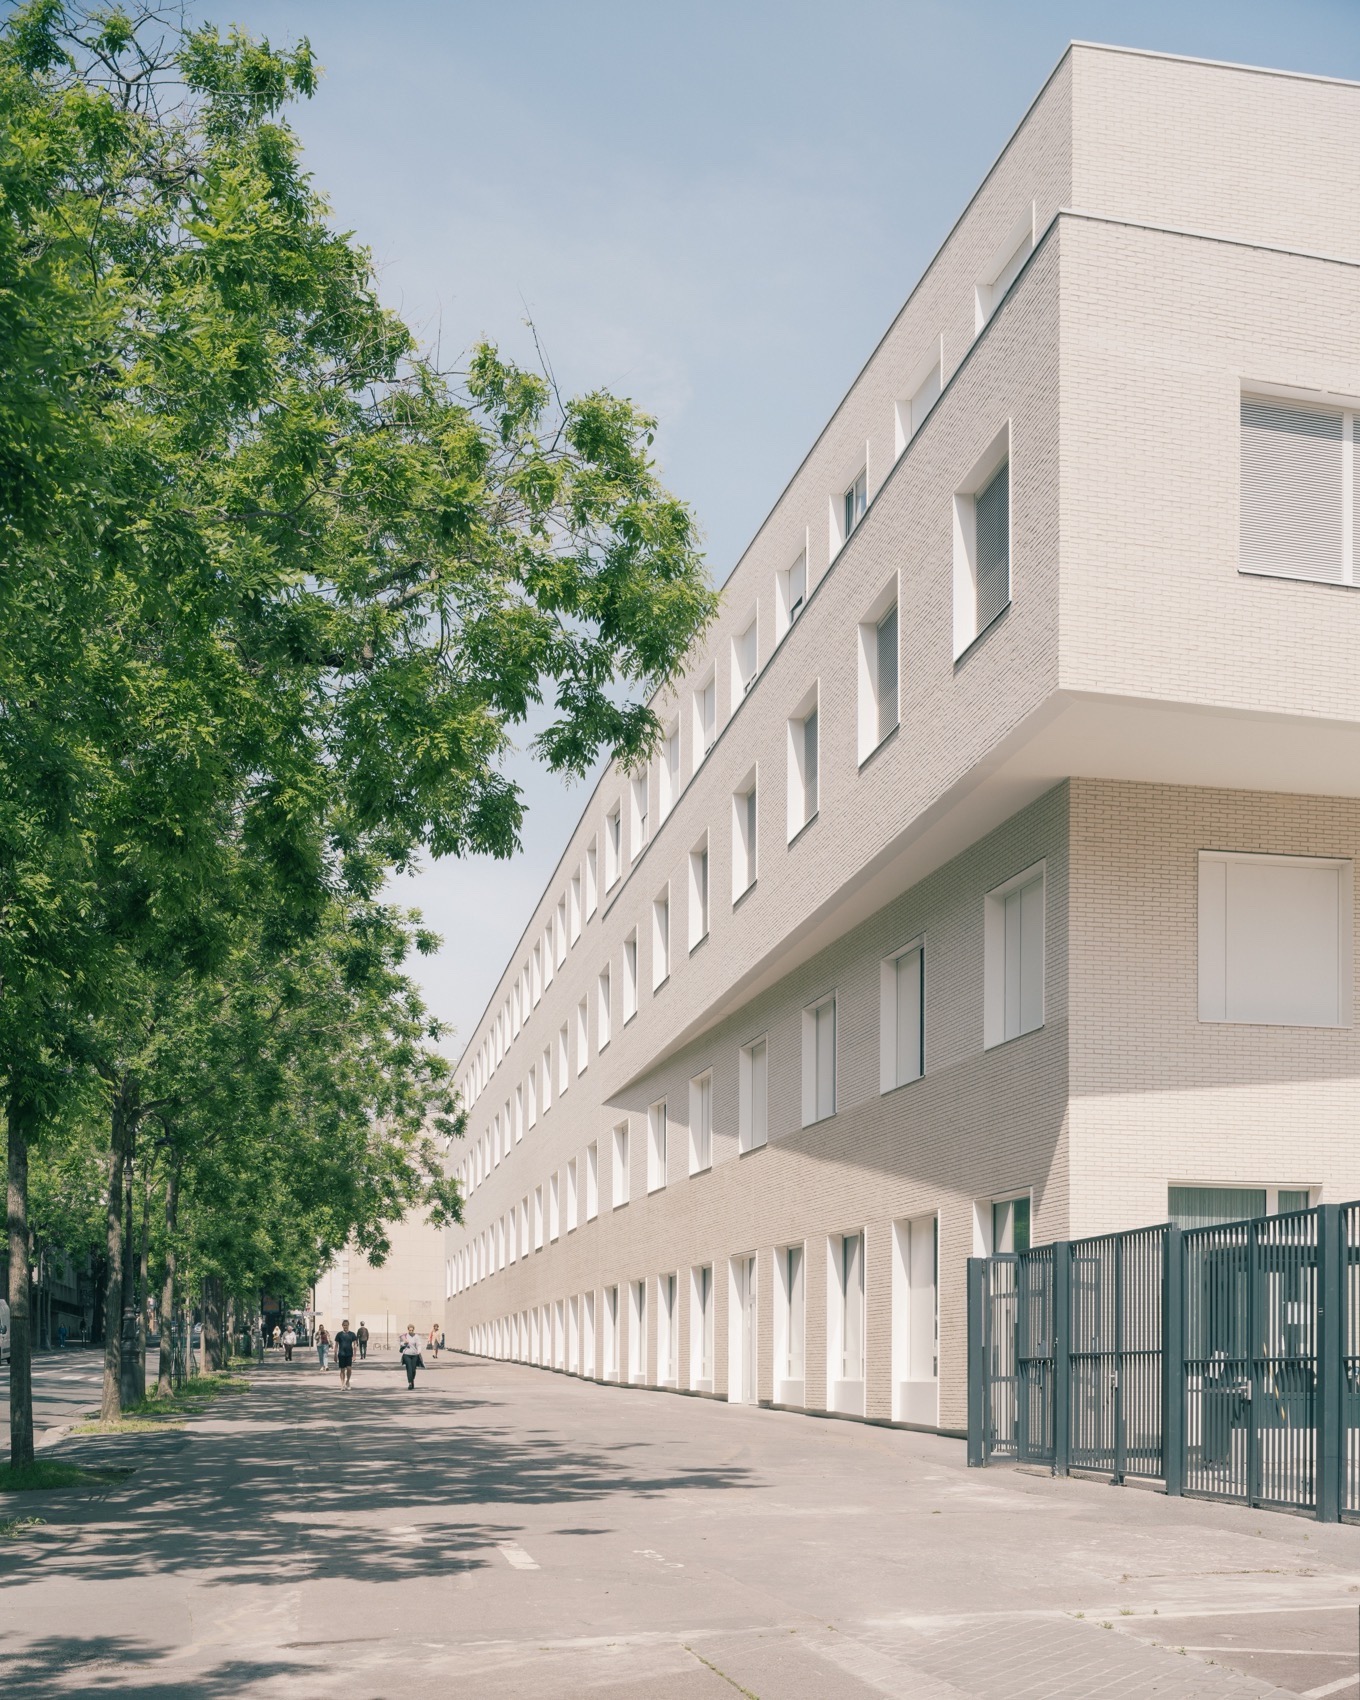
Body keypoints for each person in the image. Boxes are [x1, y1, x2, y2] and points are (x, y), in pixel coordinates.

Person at [334, 1319, 357, 1390]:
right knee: (342, 1370)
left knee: (349, 1368)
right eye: (344, 1325)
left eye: (346, 1325)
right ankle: (342, 1384)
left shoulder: (352, 1334)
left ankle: (347, 1381)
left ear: (348, 1325)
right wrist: (335, 1355)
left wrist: (354, 1355)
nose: (345, 1326)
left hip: (349, 1354)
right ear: (342, 1326)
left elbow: (355, 1345)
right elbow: (336, 1345)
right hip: (341, 1354)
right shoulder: (339, 1334)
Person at [399, 1324, 422, 1389]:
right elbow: (401, 1344)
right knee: (409, 1368)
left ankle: (412, 1380)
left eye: (412, 1330)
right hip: (406, 1354)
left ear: (413, 1330)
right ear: (408, 1330)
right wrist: (404, 1343)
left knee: (413, 1369)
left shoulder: (416, 1336)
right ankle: (410, 1383)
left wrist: (419, 1351)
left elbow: (419, 1344)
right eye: (410, 1330)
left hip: (414, 1354)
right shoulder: (405, 1336)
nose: (411, 1331)